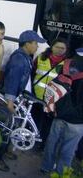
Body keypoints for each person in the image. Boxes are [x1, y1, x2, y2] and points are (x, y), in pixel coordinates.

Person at [41, 47, 83, 175]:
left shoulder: (66, 63)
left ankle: (46, 167)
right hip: (77, 120)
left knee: (52, 141)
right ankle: (60, 173)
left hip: (59, 113)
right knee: (68, 148)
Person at [4, 30, 47, 113]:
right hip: (15, 100)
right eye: (35, 43)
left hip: (21, 99)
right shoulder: (19, 59)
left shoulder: (26, 58)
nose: (37, 46)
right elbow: (13, 80)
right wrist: (10, 103)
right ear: (27, 44)